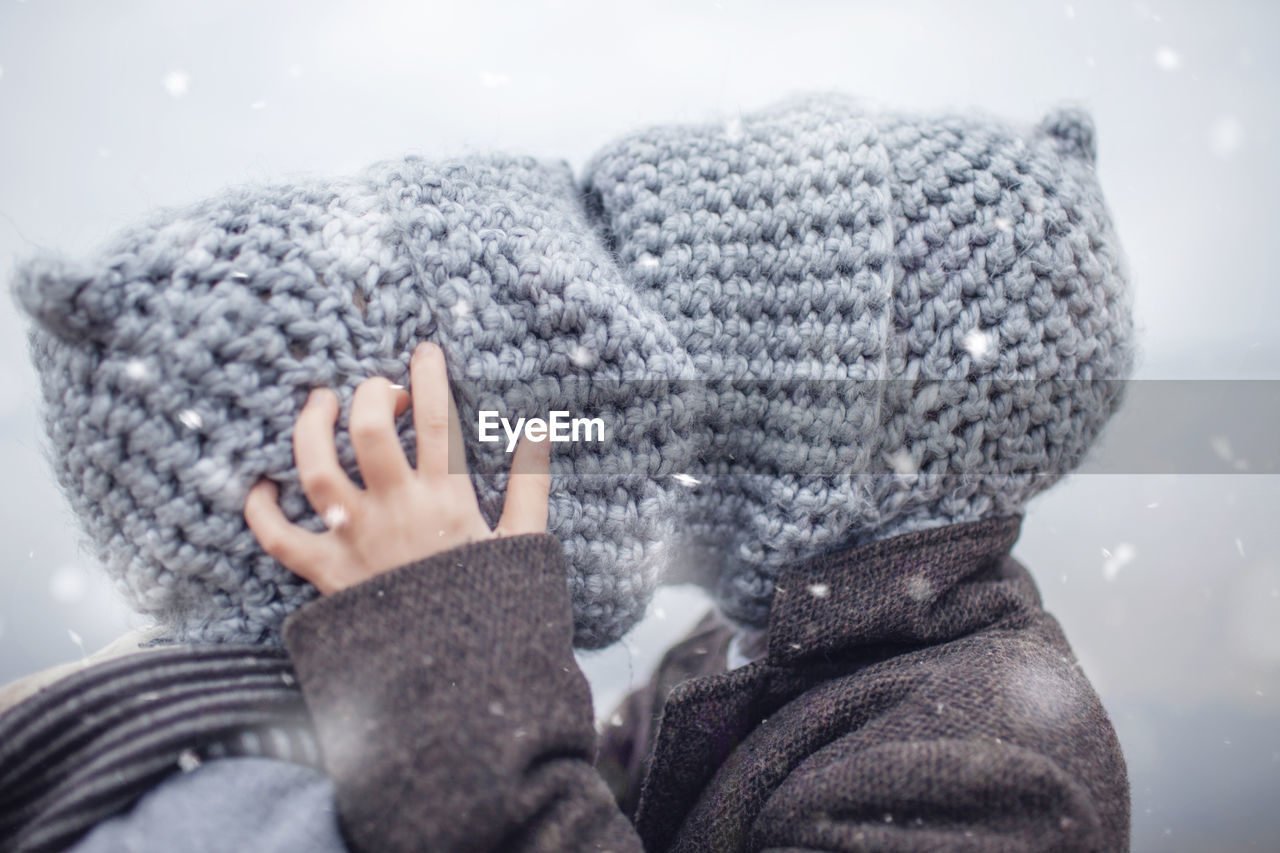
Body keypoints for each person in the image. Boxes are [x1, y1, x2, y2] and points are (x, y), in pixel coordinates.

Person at [1, 92, 1134, 851]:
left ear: (840, 418)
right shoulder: (775, 651)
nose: (610, 362)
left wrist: (440, 621)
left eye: (677, 315)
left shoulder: (995, 764)